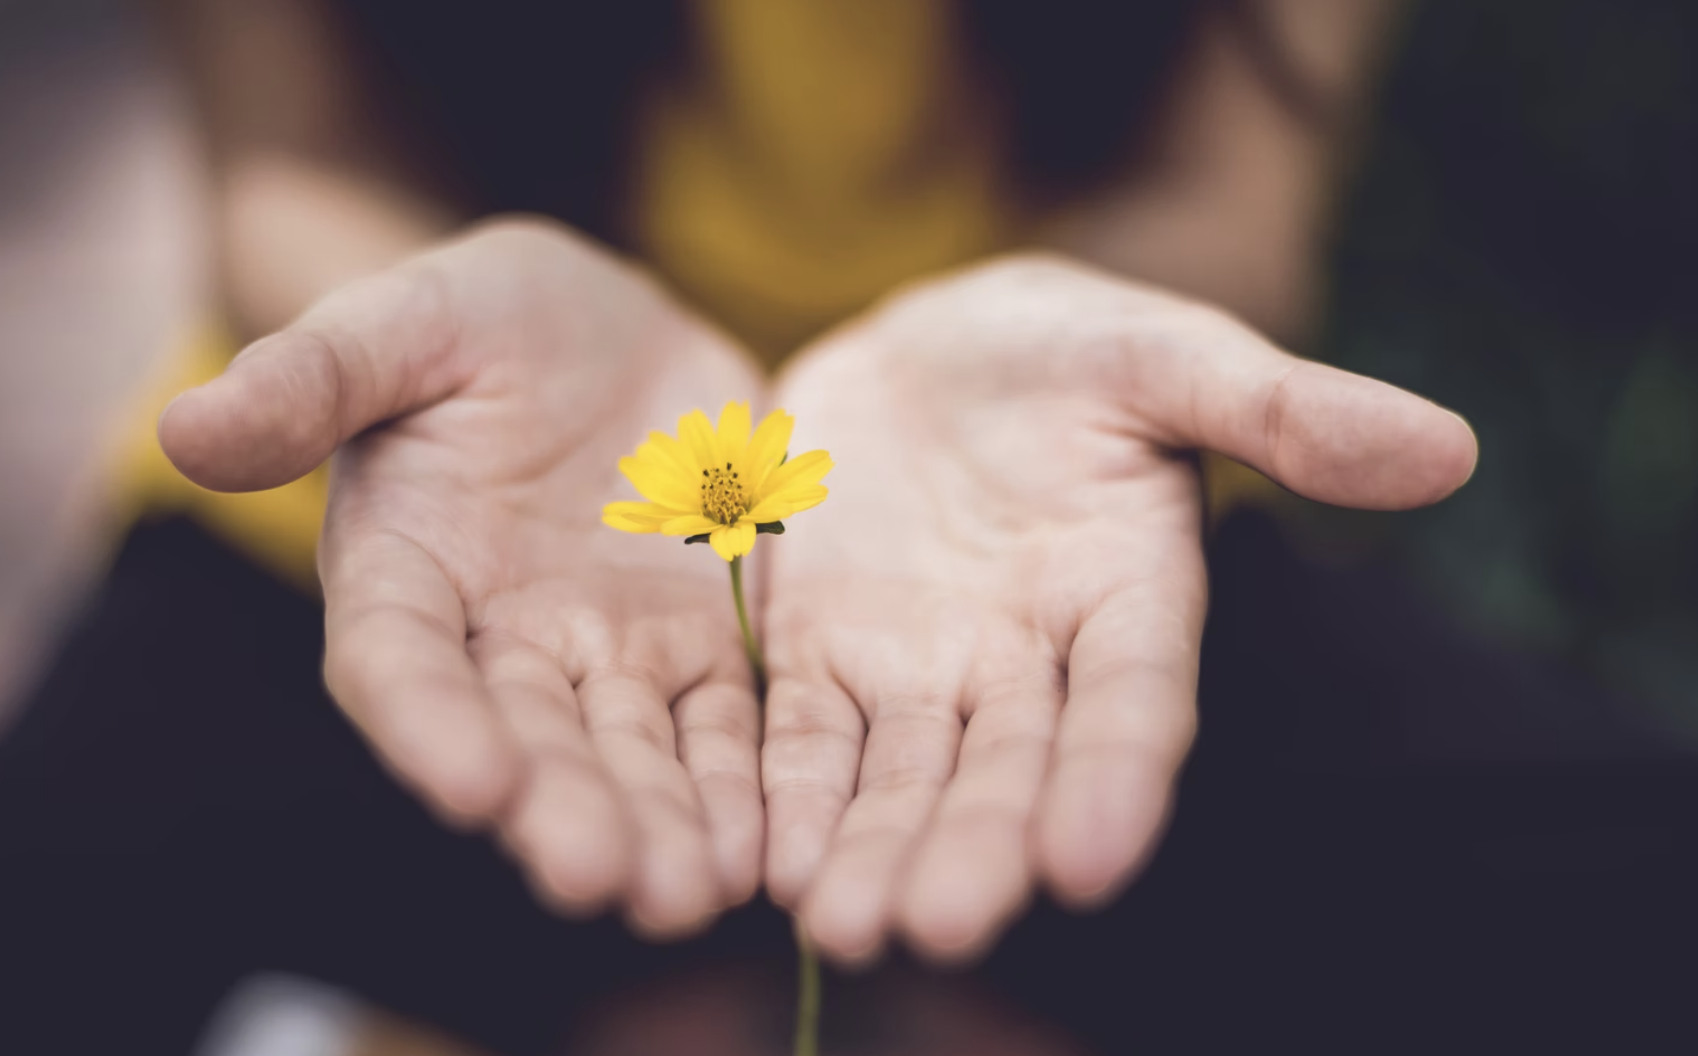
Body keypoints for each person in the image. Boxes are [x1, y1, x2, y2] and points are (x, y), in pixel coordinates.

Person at [1, 2, 1690, 1053]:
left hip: (1021, 533)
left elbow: (1228, 200)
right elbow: (285, 165)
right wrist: (402, 332)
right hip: (456, 516)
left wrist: (1069, 330)